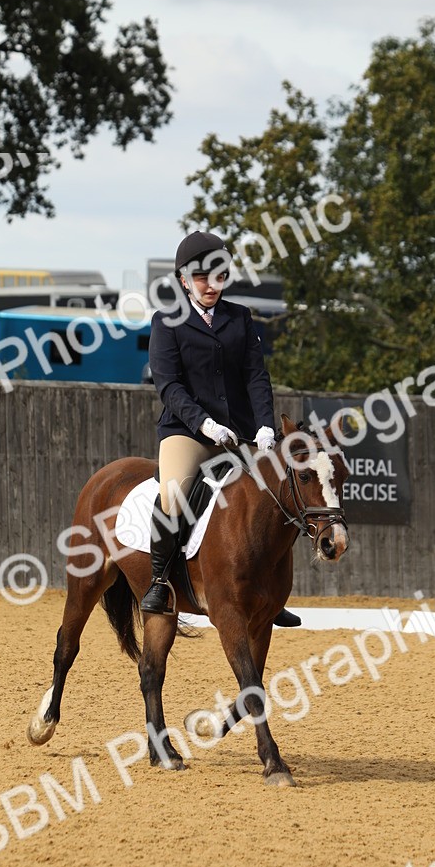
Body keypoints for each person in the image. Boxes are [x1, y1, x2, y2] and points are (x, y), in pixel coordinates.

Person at [141, 230, 278, 614]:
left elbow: (256, 376)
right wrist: (205, 424)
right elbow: (169, 386)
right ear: (184, 280)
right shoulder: (166, 321)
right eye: (201, 277)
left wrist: (265, 425)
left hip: (240, 432)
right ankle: (160, 581)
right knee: (174, 494)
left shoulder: (240, 318)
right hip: (188, 432)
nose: (211, 285)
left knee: (276, 495)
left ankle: (270, 587)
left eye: (219, 276)